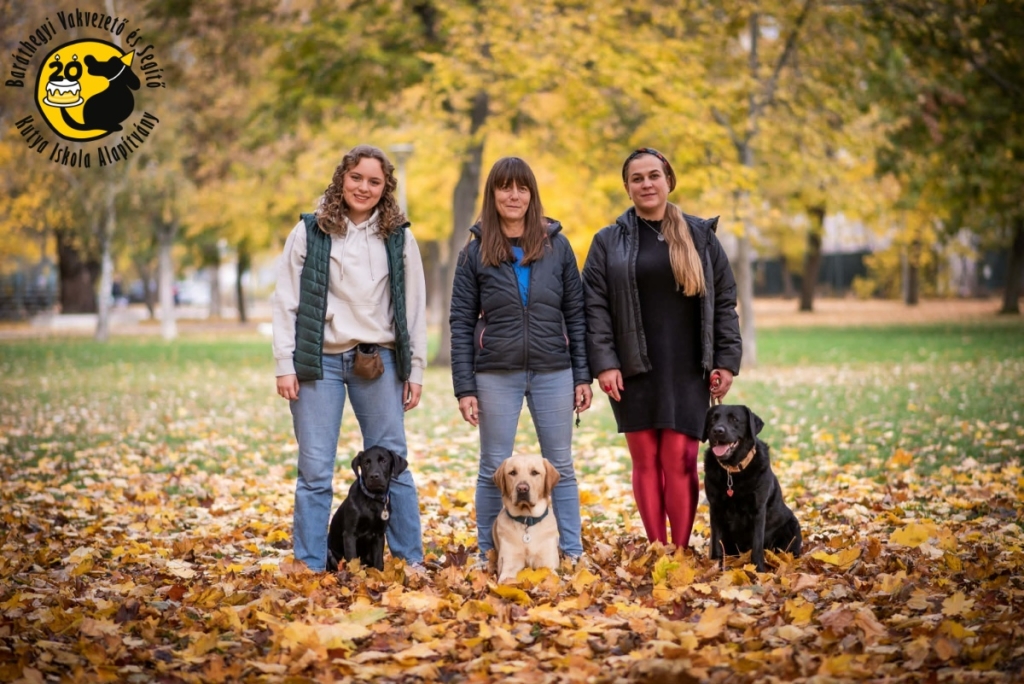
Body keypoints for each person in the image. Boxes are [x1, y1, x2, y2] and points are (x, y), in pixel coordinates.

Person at [272, 144, 427, 572]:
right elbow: (286, 301)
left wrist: (415, 370)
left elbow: (413, 307)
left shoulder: (398, 237)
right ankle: (309, 564)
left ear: (385, 188)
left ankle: (410, 560)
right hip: (317, 363)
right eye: (356, 177)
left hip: (377, 363)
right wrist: (285, 363)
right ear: (343, 178)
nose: (364, 187)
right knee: (315, 470)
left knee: (395, 463)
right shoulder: (310, 231)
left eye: (374, 181)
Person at [581, 147, 741, 550]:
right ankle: (657, 549)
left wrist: (726, 360)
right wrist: (604, 364)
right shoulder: (607, 241)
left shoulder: (700, 236)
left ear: (669, 180)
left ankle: (682, 551)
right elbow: (594, 307)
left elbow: (724, 301)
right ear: (627, 187)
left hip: (688, 368)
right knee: (646, 463)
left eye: (654, 176)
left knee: (681, 460)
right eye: (637, 178)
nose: (646, 184)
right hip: (633, 369)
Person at [450, 156, 593, 563]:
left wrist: (582, 375)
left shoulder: (558, 247)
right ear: (492, 194)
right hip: (496, 372)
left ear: (532, 194)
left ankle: (570, 551)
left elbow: (577, 314)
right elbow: (460, 322)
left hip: (554, 370)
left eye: (522, 187)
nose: (513, 195)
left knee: (559, 464)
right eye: (504, 187)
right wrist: (465, 387)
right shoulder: (474, 253)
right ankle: (487, 552)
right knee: (493, 465)